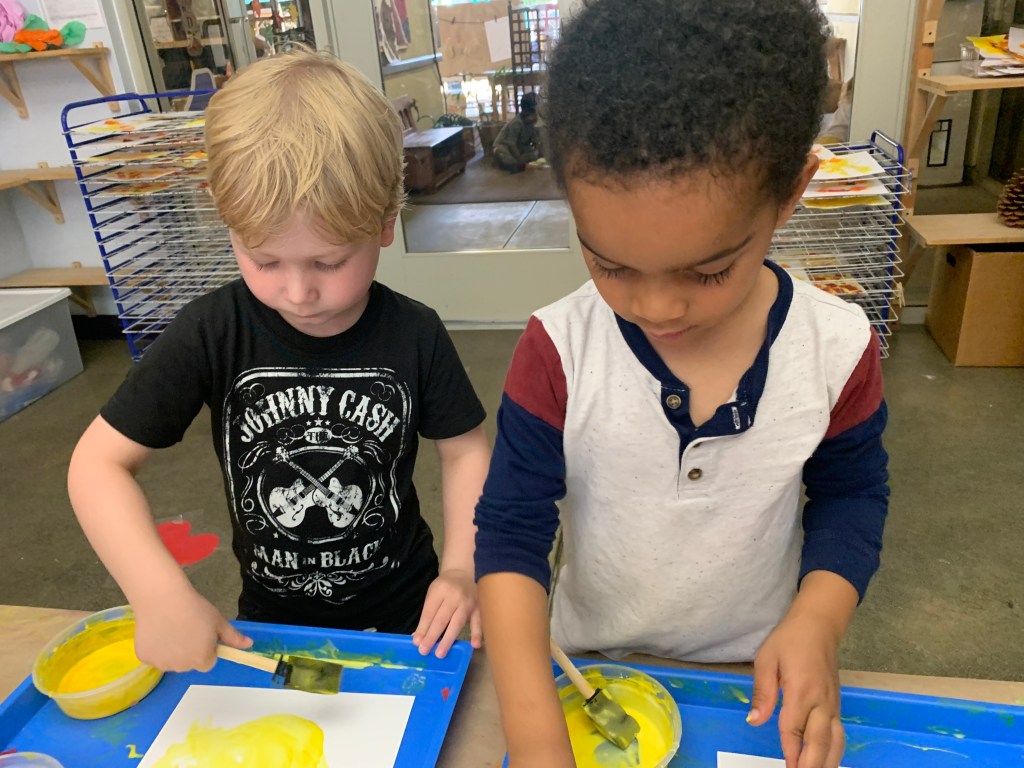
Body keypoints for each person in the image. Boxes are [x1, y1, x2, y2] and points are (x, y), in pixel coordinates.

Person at [473, 2, 888, 768]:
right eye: (610, 264)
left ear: (791, 191)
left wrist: (818, 620)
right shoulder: (559, 350)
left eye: (708, 271)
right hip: (587, 671)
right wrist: (532, 732)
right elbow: (510, 534)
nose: (657, 308)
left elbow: (852, 496)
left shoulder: (836, 349)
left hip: (752, 682)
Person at [67, 49, 491, 674]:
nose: (297, 292)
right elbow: (96, 465)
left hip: (412, 618)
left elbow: (465, 450)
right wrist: (157, 593)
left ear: (385, 222)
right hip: (272, 627)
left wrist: (462, 568)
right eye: (264, 260)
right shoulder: (211, 332)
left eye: (327, 262)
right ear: (226, 218)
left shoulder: (416, 332)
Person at [492, 91, 541, 173]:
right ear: (526, 111)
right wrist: (519, 159)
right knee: (502, 153)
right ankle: (514, 164)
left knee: (533, 154)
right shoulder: (516, 123)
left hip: (519, 147)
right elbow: (511, 144)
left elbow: (535, 141)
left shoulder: (531, 122)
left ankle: (517, 164)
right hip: (505, 146)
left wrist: (536, 149)